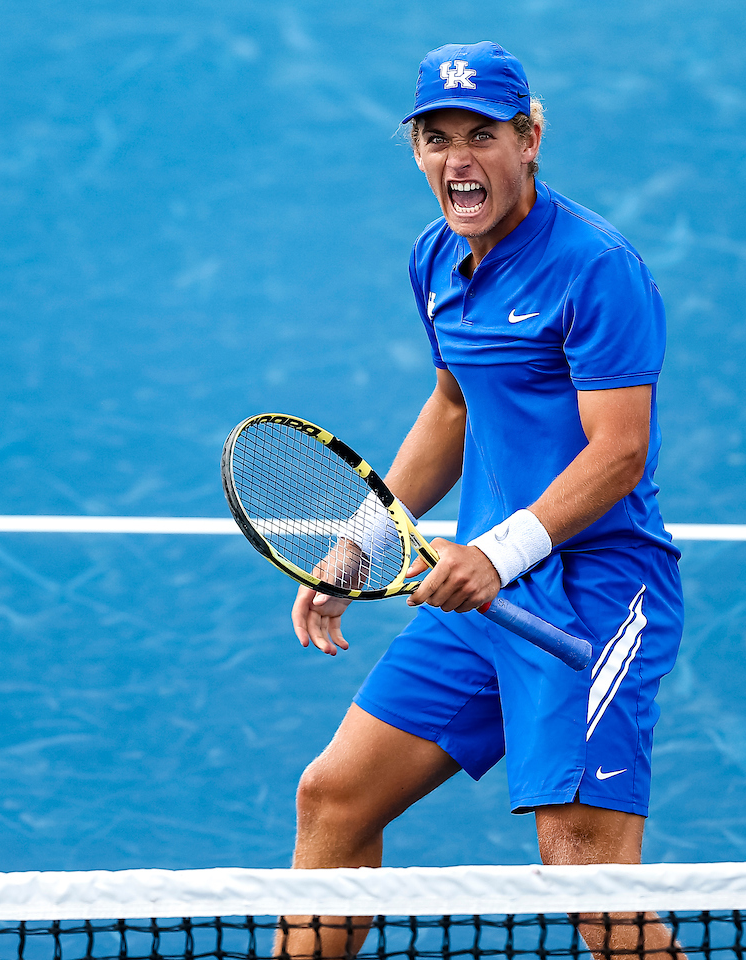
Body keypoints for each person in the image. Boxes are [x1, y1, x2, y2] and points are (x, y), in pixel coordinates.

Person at [282, 41, 685, 960]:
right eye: (435, 139)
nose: (458, 160)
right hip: (480, 599)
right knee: (335, 797)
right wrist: (362, 543)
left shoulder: (596, 268)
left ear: (530, 137)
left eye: (482, 135)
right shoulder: (435, 258)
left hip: (592, 598)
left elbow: (619, 455)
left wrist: (499, 551)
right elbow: (452, 405)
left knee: (583, 873)